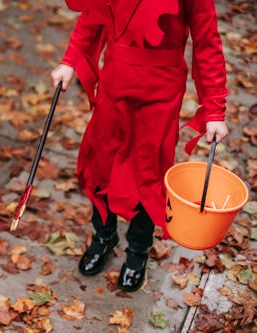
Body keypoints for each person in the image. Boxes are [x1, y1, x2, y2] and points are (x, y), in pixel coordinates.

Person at [51, 0, 228, 292]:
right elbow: (93, 17)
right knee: (101, 164)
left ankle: (137, 250)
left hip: (161, 90)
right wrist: (71, 60)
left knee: (148, 174)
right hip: (115, 81)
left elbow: (207, 42)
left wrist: (214, 110)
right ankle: (104, 236)